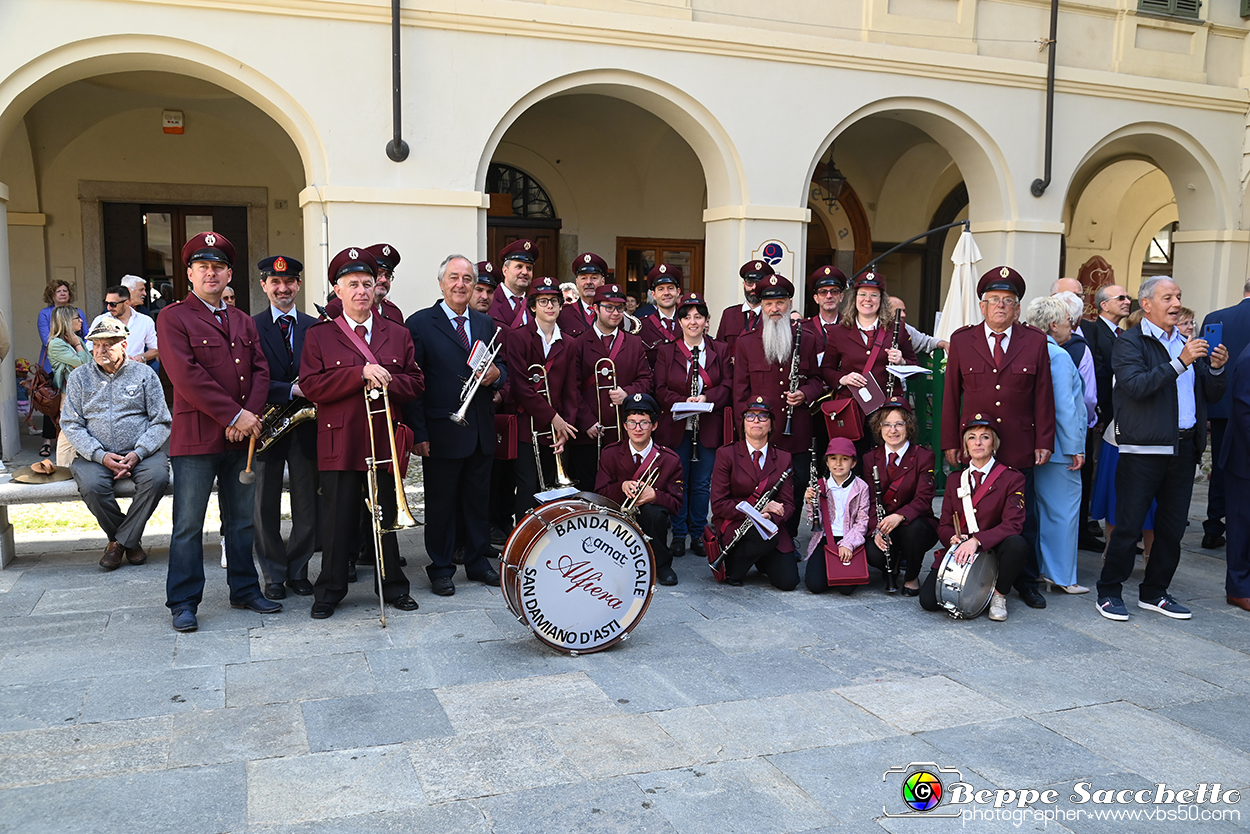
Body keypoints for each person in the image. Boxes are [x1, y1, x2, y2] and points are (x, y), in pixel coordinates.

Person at [156, 231, 280, 633]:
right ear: (189, 273)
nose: (211, 273)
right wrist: (233, 416)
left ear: (229, 274)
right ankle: (183, 601)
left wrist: (248, 415)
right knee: (189, 524)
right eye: (203, 267)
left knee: (242, 520)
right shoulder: (173, 317)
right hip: (196, 438)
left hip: (242, 436)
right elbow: (185, 376)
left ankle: (244, 589)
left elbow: (261, 371)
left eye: (218, 267)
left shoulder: (242, 320)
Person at [300, 247, 424, 618]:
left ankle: (393, 585)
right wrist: (358, 374)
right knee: (338, 519)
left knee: (385, 516)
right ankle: (330, 590)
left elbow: (416, 382)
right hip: (341, 439)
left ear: (376, 288)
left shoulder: (397, 333)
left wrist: (387, 382)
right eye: (352, 284)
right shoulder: (319, 335)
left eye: (367, 284)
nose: (361, 291)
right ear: (337, 290)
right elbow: (310, 385)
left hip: (383, 439)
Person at [1096, 276, 1227, 621]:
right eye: (1167, 297)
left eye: (1178, 296)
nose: (1175, 303)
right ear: (1147, 304)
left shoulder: (1186, 342)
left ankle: (1155, 592)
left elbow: (1210, 395)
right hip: (1143, 450)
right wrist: (1181, 361)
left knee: (1171, 529)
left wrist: (1215, 369)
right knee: (1128, 525)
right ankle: (1109, 591)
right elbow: (1136, 386)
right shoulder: (1131, 343)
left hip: (1183, 450)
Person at [940, 266, 1054, 611]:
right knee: (971, 509)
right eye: (994, 300)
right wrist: (949, 441)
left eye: (1008, 301)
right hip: (973, 445)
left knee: (1024, 516)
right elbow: (950, 396)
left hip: (1019, 444)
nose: (1001, 306)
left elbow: (1043, 394)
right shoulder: (962, 340)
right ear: (982, 306)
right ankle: (969, 569)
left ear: (1017, 309)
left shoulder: (1033, 340)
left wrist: (1044, 440)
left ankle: (1026, 581)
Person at [406, 255, 506, 596]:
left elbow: (499, 367)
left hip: (478, 427)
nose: (461, 284)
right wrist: (418, 433)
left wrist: (497, 375)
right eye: (454, 278)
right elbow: (414, 384)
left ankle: (478, 562)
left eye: (467, 278)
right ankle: (442, 567)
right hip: (442, 429)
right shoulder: (419, 323)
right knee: (441, 503)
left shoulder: (484, 323)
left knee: (478, 501)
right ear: (441, 283)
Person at [60, 318, 171, 571]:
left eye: (108, 345)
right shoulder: (79, 377)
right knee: (91, 486)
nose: (100, 350)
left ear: (124, 344)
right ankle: (129, 542)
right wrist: (100, 455)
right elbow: (71, 424)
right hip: (94, 454)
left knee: (156, 479)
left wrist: (138, 452)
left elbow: (161, 422)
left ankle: (118, 543)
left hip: (142, 451)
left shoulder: (144, 374)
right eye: (96, 345)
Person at [731, 273, 822, 538]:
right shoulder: (746, 342)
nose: (774, 309)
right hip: (762, 435)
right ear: (760, 305)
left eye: (780, 302)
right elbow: (740, 392)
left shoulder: (806, 338)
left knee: (796, 485)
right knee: (761, 486)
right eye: (769, 304)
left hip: (798, 433)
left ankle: (788, 537)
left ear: (789, 303)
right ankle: (759, 535)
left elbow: (817, 379)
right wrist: (743, 435)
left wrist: (805, 393)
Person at [251, 255, 319, 601]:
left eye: (289, 281)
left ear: (298, 285)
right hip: (265, 425)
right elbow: (248, 377)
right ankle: (273, 574)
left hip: (307, 426)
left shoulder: (315, 326)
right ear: (264, 285)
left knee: (307, 504)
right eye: (275, 282)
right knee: (264, 506)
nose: (282, 288)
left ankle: (298, 571)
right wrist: (290, 389)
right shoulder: (250, 326)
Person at [923, 417, 1029, 621]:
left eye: (985, 437)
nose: (978, 442)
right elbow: (944, 524)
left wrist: (977, 540)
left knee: (1017, 544)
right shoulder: (955, 479)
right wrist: (952, 538)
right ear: (966, 446)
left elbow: (1013, 524)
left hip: (994, 548)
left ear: (994, 444)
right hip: (961, 551)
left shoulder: (1012, 478)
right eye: (972, 437)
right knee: (928, 602)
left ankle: (999, 595)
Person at [653, 292, 730, 560]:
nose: (693, 322)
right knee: (677, 482)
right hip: (677, 427)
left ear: (707, 321)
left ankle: (697, 533)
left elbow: (728, 385)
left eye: (698, 317)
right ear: (680, 322)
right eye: (687, 317)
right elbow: (660, 389)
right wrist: (683, 401)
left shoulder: (720, 349)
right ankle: (679, 535)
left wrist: (707, 398)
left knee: (701, 484)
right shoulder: (666, 351)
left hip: (707, 427)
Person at [1024, 296, 1088, 594]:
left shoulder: (1027, 350)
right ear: (1052, 325)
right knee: (1063, 512)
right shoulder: (1058, 355)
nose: (1070, 328)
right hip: (1061, 447)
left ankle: (1043, 569)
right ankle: (1062, 576)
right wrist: (1076, 446)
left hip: (1037, 442)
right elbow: (1064, 406)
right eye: (1066, 322)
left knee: (1041, 509)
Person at [568, 283, 653, 492]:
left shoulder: (634, 343)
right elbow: (571, 387)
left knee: (619, 490)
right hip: (588, 433)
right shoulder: (577, 343)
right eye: (609, 307)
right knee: (587, 490)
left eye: (620, 308)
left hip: (623, 433)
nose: (616, 313)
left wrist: (628, 392)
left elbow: (647, 379)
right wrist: (586, 421)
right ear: (595, 309)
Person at [506, 276, 578, 516]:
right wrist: (554, 418)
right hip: (528, 426)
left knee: (553, 487)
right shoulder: (518, 338)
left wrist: (566, 426)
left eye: (555, 301)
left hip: (557, 429)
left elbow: (571, 389)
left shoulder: (569, 343)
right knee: (528, 485)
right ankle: (525, 543)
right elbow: (520, 386)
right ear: (533, 306)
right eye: (544, 301)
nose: (550, 306)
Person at [594, 393, 684, 586]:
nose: (638, 428)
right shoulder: (610, 454)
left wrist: (655, 495)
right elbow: (599, 494)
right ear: (625, 426)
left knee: (654, 512)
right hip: (619, 516)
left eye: (644, 422)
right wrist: (622, 487)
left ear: (654, 425)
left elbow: (677, 504)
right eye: (632, 423)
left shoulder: (669, 459)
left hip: (650, 518)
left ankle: (661, 565)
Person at [709, 396, 798, 590]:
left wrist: (771, 516)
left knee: (788, 582)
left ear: (771, 425)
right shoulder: (726, 454)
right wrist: (756, 511)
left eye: (763, 416)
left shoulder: (783, 457)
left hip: (770, 526)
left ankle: (759, 559)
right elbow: (718, 504)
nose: (756, 420)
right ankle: (736, 567)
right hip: (736, 524)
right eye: (750, 416)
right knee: (762, 538)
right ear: (743, 424)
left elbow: (789, 504)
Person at [820, 271, 918, 443]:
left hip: (887, 411)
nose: (868, 299)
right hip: (851, 410)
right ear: (854, 298)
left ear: (881, 300)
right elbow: (826, 370)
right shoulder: (838, 332)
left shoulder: (897, 329)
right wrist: (843, 378)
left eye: (874, 295)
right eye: (863, 294)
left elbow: (915, 370)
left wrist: (902, 361)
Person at [860, 402, 938, 596]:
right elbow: (869, 500)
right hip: (885, 524)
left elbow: (923, 499)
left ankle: (911, 576)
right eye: (887, 424)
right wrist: (876, 529)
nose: (892, 430)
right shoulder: (870, 458)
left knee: (915, 530)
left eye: (899, 424)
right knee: (873, 553)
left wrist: (900, 516)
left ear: (908, 426)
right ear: (879, 428)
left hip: (915, 523)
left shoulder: (924, 456)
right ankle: (892, 563)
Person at [1199, 277, 1250, 550]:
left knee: (1221, 466)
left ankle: (1213, 526)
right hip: (1247, 405)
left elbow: (1203, 360)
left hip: (1221, 405)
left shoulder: (1217, 317)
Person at [803, 437, 869, 595]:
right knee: (815, 586)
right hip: (825, 538)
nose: (838, 464)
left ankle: (833, 572)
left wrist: (848, 544)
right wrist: (809, 502)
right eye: (833, 458)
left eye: (844, 459)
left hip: (849, 537)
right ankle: (829, 571)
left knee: (846, 589)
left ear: (853, 463)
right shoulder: (819, 485)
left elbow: (862, 522)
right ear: (827, 462)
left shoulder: (861, 487)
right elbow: (813, 520)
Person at [37, 279, 85, 458]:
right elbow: (46, 339)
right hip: (54, 363)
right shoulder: (45, 313)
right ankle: (48, 441)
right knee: (53, 402)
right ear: (52, 295)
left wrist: (80, 345)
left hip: (76, 361)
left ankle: (71, 446)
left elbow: (85, 334)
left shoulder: (77, 312)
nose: (63, 293)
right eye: (59, 291)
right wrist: (73, 344)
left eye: (65, 290)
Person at [1219, 340, 1250, 612]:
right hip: (1244, 457)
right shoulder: (1249, 356)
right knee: (1240, 524)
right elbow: (1244, 411)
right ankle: (1238, 588)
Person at [45, 306, 91, 466]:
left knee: (75, 433)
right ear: (66, 321)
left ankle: (73, 469)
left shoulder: (73, 339)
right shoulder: (57, 343)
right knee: (67, 434)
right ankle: (64, 470)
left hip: (80, 393)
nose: (81, 321)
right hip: (68, 395)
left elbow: (90, 363)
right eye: (77, 318)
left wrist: (78, 344)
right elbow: (83, 362)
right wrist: (78, 345)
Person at [322, 244, 405, 324]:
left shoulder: (394, 312)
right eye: (379, 274)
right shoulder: (336, 308)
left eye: (388, 275)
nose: (383, 280)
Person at [88, 284, 158, 366]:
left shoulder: (145, 321)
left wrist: (142, 357)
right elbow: (89, 347)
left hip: (135, 369)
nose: (108, 308)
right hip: (107, 370)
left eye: (113, 304)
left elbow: (155, 349)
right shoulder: (100, 320)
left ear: (127, 303)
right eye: (106, 303)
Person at [715, 260, 772, 354]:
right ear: (743, 284)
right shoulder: (729, 314)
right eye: (750, 283)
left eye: (758, 283)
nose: (754, 287)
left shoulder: (772, 315)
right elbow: (719, 349)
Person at [637, 264, 682, 366]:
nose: (666, 293)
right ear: (653, 294)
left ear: (678, 292)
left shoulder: (689, 322)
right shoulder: (642, 326)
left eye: (670, 288)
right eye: (661, 289)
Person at [558, 253, 607, 340]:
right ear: (577, 282)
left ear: (603, 281)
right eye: (584, 278)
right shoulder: (563, 314)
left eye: (594, 278)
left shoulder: (612, 313)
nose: (588, 282)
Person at [489, 239, 535, 329]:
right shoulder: (489, 299)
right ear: (505, 271)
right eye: (519, 267)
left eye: (529, 268)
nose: (525, 272)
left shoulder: (535, 305)